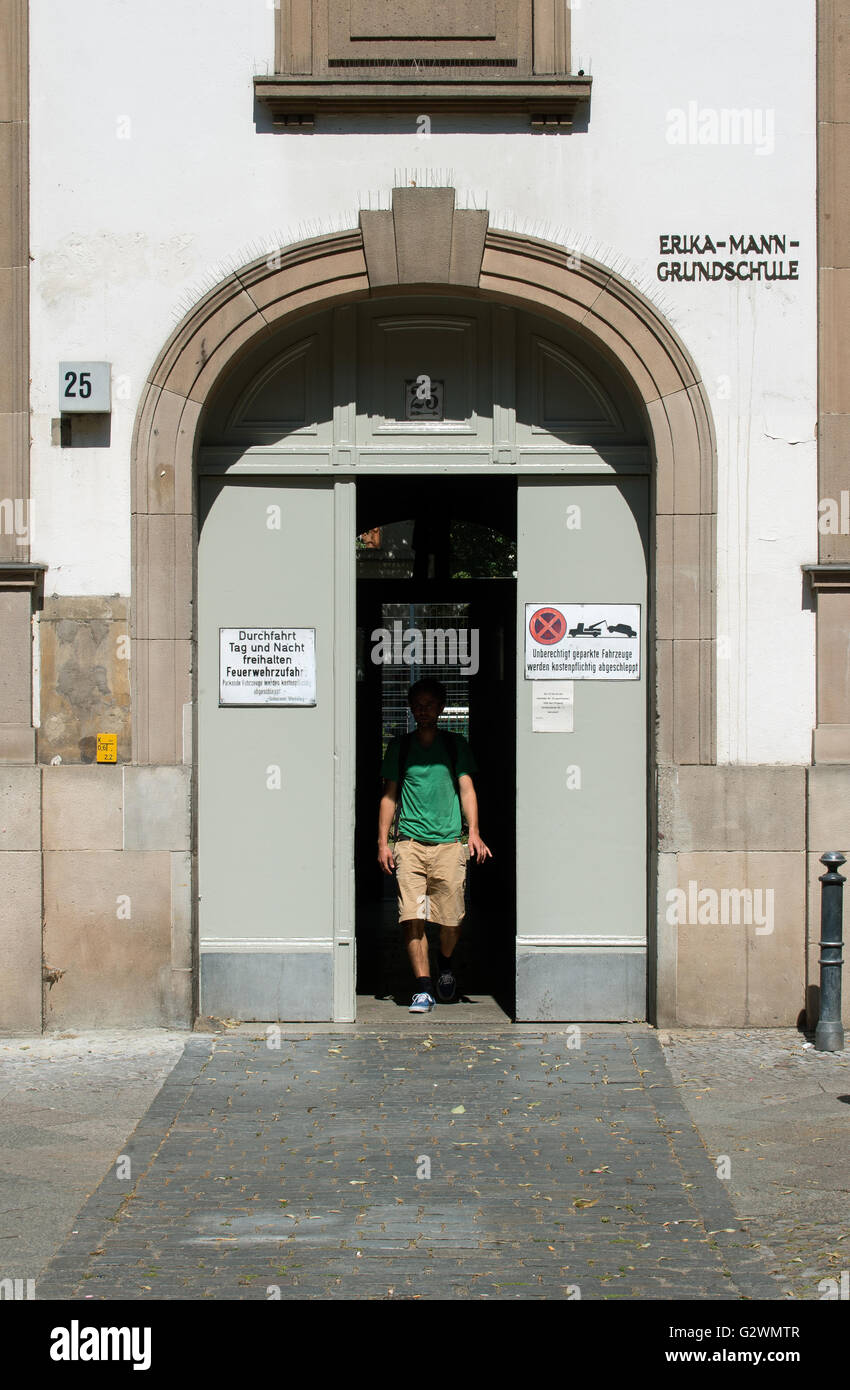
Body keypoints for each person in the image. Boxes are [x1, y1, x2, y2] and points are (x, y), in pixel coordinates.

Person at [377, 677, 492, 1013]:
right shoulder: (399, 748)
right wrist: (383, 842)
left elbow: (467, 789)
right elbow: (388, 796)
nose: (423, 710)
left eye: (429, 704)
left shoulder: (456, 746)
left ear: (441, 707)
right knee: (411, 917)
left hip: (449, 845)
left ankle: (444, 963)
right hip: (409, 843)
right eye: (417, 704)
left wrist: (474, 831)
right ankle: (423, 988)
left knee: (451, 920)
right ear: (411, 709)